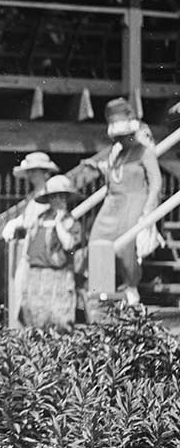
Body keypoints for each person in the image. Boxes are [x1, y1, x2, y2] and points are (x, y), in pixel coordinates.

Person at [83, 98, 162, 305]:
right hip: (113, 203)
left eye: (125, 136)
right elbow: (114, 176)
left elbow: (156, 182)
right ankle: (100, 292)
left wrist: (148, 210)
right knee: (97, 240)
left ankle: (131, 285)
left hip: (135, 202)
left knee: (124, 245)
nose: (121, 140)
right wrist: (98, 167)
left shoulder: (144, 151)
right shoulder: (116, 154)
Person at [1, 152, 59, 324]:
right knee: (22, 289)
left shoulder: (49, 193)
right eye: (30, 171)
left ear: (44, 172)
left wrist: (21, 223)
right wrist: (15, 222)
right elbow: (28, 219)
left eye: (35, 171)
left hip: (43, 246)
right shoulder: (34, 194)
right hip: (30, 246)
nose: (31, 175)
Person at [19, 175, 82, 328]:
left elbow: (68, 245)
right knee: (34, 319)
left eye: (62, 196)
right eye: (55, 196)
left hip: (58, 277)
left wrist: (59, 223)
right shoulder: (39, 219)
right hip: (36, 276)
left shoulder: (70, 222)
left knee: (59, 321)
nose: (59, 200)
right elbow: (28, 247)